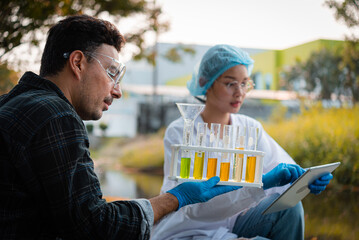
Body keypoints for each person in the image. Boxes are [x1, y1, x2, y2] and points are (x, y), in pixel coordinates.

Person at [0, 16, 244, 239]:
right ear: (77, 63)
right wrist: (175, 198)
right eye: (112, 73)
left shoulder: (12, 104)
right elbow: (96, 227)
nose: (117, 91)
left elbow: (68, 218)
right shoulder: (56, 116)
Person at [152, 45, 333, 240]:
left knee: (290, 207)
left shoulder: (249, 127)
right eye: (230, 84)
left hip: (232, 224)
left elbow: (284, 172)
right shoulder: (182, 131)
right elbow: (194, 208)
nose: (239, 92)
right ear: (206, 82)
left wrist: (305, 179)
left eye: (244, 83)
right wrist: (262, 183)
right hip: (188, 229)